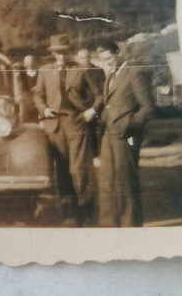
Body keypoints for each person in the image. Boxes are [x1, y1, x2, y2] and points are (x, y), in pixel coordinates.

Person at [95, 40, 157, 227]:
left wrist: (129, 125)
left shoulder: (133, 72)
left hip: (126, 135)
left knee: (125, 182)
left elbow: (148, 108)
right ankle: (109, 225)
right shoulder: (110, 75)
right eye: (103, 60)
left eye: (109, 58)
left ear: (118, 54)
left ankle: (130, 225)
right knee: (106, 181)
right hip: (108, 135)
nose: (107, 62)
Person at [33, 33, 92, 226]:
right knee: (61, 170)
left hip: (75, 123)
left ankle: (84, 207)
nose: (61, 57)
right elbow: (38, 96)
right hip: (54, 124)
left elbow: (98, 95)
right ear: (52, 53)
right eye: (57, 53)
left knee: (79, 169)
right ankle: (68, 210)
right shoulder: (44, 71)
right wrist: (44, 109)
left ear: (69, 52)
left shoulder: (80, 70)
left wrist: (91, 111)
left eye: (64, 53)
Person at [66, 47, 106, 158]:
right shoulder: (74, 71)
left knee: (96, 135)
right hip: (80, 108)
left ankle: (97, 156)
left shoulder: (98, 71)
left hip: (96, 106)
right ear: (78, 59)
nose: (86, 60)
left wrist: (95, 108)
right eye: (82, 58)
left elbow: (102, 91)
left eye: (87, 57)